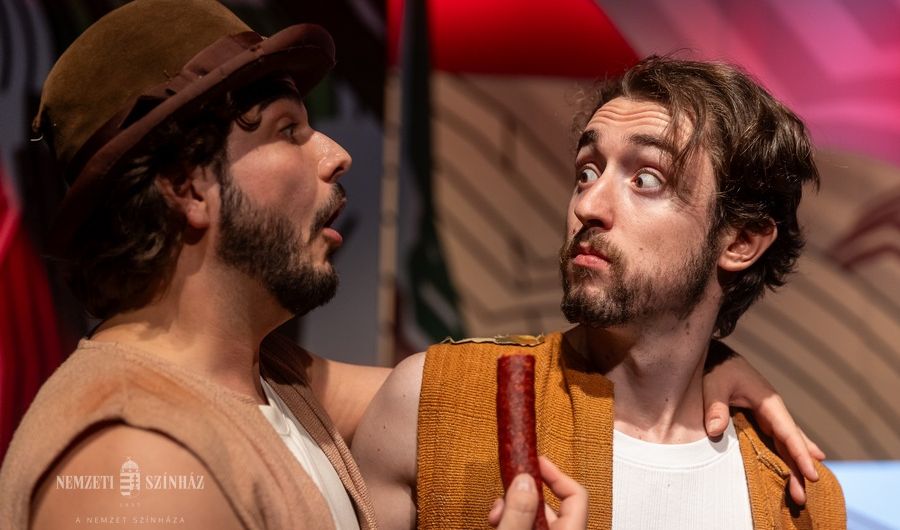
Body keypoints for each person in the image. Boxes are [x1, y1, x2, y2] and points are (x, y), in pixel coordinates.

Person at [0, 0, 824, 527]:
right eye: (288, 130)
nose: (335, 153)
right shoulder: (131, 463)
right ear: (188, 187)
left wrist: (698, 359)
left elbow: (535, 383)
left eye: (645, 178)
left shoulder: (267, 385)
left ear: (740, 240)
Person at [352, 56, 846, 529]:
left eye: (646, 179)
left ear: (740, 241)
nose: (588, 204)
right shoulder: (436, 404)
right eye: (586, 172)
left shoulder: (803, 502)